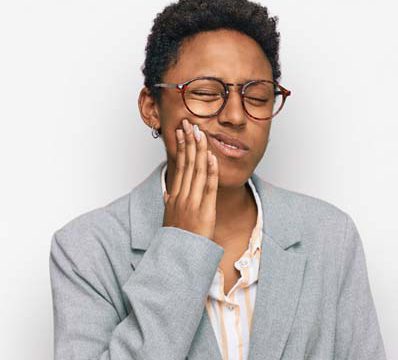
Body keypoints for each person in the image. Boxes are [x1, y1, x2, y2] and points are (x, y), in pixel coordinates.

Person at [49, 1, 387, 359]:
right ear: (151, 107)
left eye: (257, 96)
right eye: (207, 93)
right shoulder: (85, 251)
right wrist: (180, 246)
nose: (236, 116)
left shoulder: (330, 237)